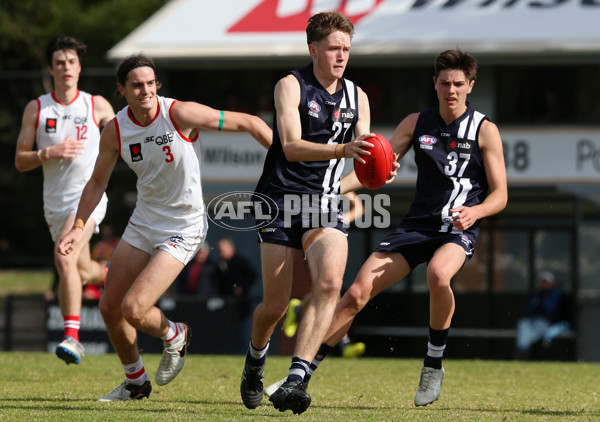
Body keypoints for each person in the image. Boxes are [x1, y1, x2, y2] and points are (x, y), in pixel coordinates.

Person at [57, 54, 272, 401]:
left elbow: (248, 122)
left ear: (158, 84)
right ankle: (136, 382)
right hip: (144, 221)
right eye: (136, 85)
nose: (145, 90)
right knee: (110, 307)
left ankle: (175, 334)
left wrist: (286, 158)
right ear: (121, 90)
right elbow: (96, 183)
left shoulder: (179, 113)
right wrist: (77, 227)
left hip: (183, 226)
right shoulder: (115, 129)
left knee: (134, 309)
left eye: (150, 83)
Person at [301, 49, 508, 407]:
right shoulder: (416, 123)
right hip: (417, 225)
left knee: (440, 276)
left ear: (470, 86)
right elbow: (374, 171)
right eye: (445, 83)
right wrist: (332, 190)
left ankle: (432, 365)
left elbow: (501, 194)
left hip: (457, 228)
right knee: (355, 294)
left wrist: (476, 213)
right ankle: (300, 376)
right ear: (434, 84)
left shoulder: (485, 130)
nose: (451, 90)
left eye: (459, 83)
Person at [240, 12, 383, 415]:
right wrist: (342, 152)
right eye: (335, 48)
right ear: (314, 49)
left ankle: (297, 378)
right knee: (275, 307)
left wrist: (379, 170)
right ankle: (255, 359)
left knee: (330, 282)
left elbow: (363, 159)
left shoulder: (358, 97)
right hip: (279, 199)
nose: (342, 56)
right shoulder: (290, 85)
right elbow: (289, 145)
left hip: (323, 202)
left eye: (347, 49)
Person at [14, 35, 115, 364]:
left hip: (88, 198)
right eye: (60, 62)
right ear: (51, 68)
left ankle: (72, 338)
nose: (66, 68)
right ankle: (115, 273)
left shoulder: (96, 104)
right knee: (82, 269)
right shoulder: (38, 107)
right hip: (55, 206)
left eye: (72, 62)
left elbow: (122, 138)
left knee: (64, 257)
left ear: (80, 66)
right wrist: (50, 152)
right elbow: (20, 160)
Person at [514, 270, 570, 360]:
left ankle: (523, 352)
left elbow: (549, 310)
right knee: (523, 324)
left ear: (551, 282)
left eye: (546, 281)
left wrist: (539, 305)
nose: (544, 283)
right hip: (532, 320)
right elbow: (528, 310)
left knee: (535, 328)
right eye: (542, 281)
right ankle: (522, 350)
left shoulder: (554, 294)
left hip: (546, 323)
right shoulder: (536, 293)